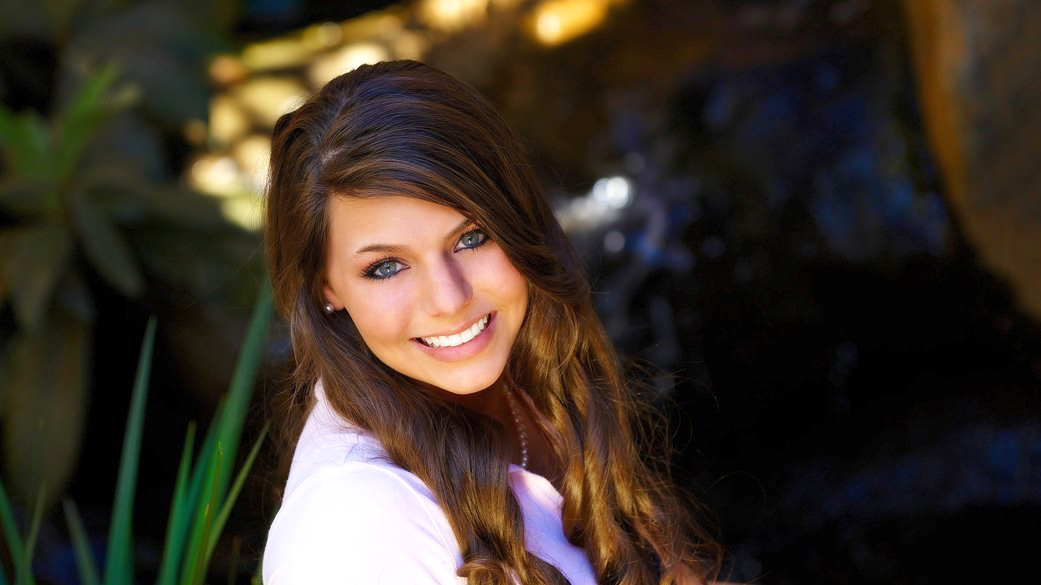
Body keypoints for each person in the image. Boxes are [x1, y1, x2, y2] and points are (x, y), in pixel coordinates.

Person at [261, 59, 722, 584]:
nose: (449, 299)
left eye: (471, 238)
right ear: (327, 287)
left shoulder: (536, 372)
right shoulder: (354, 526)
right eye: (386, 267)